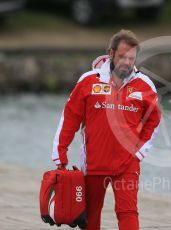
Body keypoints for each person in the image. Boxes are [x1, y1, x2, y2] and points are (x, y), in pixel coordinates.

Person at [51, 29, 161, 230]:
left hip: (127, 164)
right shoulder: (88, 81)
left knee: (128, 212)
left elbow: (154, 122)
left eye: (131, 58)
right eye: (122, 57)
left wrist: (139, 153)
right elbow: (69, 118)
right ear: (111, 54)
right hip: (93, 163)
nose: (127, 62)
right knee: (90, 215)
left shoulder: (145, 85)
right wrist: (60, 154)